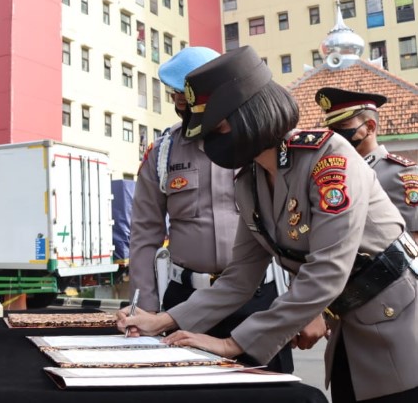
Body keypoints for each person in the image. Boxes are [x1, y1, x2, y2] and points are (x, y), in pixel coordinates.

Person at [117, 46, 418, 403]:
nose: (208, 138)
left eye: (216, 126)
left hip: (401, 326)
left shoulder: (329, 157)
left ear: (247, 117)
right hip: (352, 327)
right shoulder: (251, 182)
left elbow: (327, 271)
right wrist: (164, 320)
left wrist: (232, 343)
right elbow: (239, 278)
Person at [129, 46, 292, 372]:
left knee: (268, 392)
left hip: (258, 299)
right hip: (185, 301)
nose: (178, 105)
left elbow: (296, 224)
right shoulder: (163, 153)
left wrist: (304, 306)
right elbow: (145, 234)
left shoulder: (258, 143)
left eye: (184, 97)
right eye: (175, 96)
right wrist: (145, 307)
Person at [315, 87, 418, 242]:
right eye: (332, 128)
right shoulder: (337, 173)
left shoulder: (399, 173)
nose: (335, 135)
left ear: (370, 127)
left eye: (342, 126)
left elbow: (414, 239)